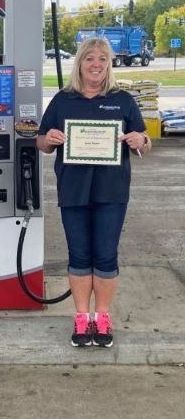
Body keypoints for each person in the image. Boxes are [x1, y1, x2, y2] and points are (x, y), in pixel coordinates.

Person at [37, 37, 151, 348]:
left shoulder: (123, 100)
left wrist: (140, 141)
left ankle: (101, 316)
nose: (96, 64)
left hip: (111, 192)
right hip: (73, 191)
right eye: (90, 58)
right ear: (80, 63)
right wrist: (50, 138)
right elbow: (41, 142)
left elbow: (144, 139)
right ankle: (80, 316)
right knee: (78, 255)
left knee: (105, 255)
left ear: (109, 64)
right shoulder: (63, 100)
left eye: (102, 58)